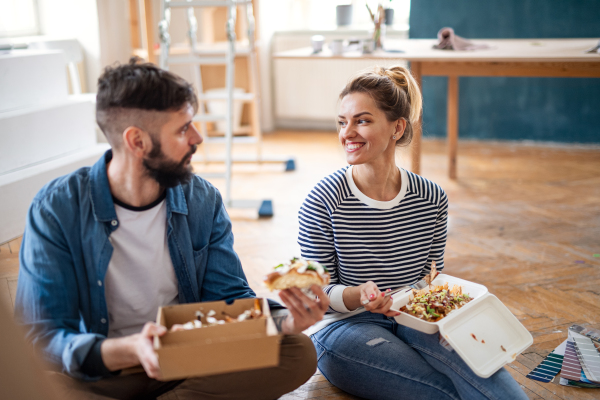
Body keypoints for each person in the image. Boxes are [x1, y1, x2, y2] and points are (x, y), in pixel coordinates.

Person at [15, 58, 329, 400]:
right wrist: (133, 349)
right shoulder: (57, 207)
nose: (198, 137)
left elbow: (229, 301)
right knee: (24, 386)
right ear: (137, 141)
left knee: (296, 351)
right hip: (105, 369)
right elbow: (41, 337)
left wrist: (286, 321)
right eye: (183, 129)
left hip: (189, 359)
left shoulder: (201, 199)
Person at [297, 65, 528, 400]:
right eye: (341, 122)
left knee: (491, 381)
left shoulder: (431, 198)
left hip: (416, 319)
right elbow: (314, 294)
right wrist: (359, 295)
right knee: (443, 394)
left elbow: (430, 278)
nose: (347, 132)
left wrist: (434, 311)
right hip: (346, 329)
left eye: (361, 120)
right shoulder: (323, 200)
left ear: (397, 127)